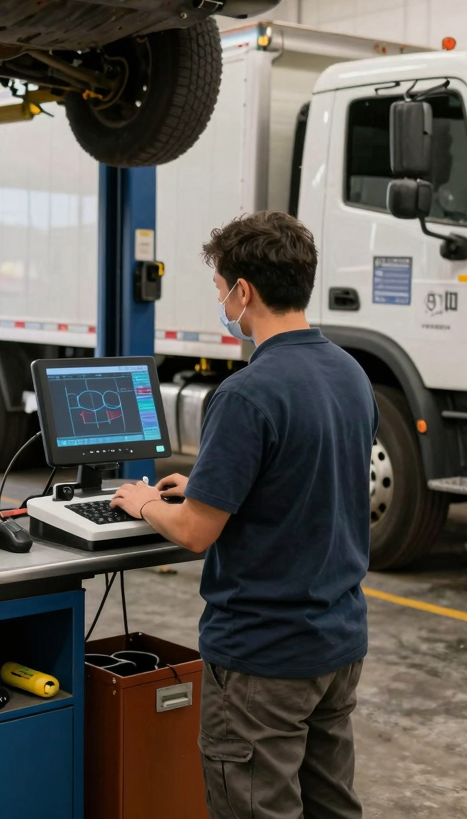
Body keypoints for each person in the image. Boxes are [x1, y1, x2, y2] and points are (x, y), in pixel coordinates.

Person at [111, 211, 377, 819]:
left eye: (220, 290)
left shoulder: (246, 393)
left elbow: (195, 532)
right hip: (337, 643)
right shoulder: (350, 374)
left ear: (244, 291)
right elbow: (308, 478)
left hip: (264, 657)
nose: (222, 304)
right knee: (332, 806)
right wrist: (211, 484)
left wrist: (145, 502)